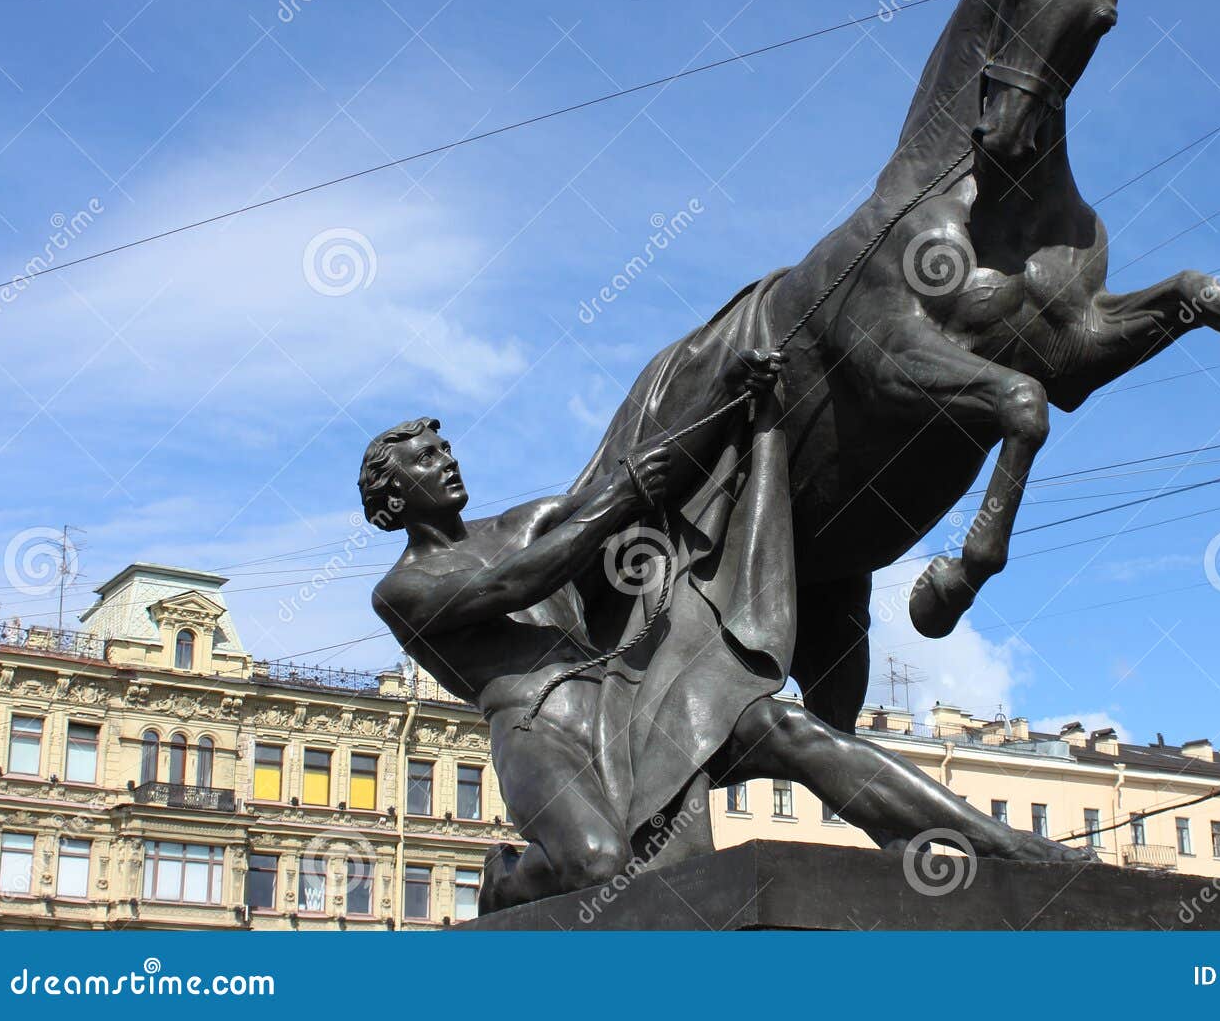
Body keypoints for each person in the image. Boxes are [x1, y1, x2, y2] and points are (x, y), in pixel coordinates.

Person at [362, 348, 1086, 912]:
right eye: (426, 459)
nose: (447, 460)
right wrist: (618, 498)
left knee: (790, 730)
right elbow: (514, 583)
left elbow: (647, 471)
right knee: (596, 864)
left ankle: (999, 846)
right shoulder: (401, 590)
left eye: (446, 448)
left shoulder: (519, 519)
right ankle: (511, 882)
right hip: (539, 729)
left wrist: (734, 398)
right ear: (395, 498)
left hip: (625, 694)